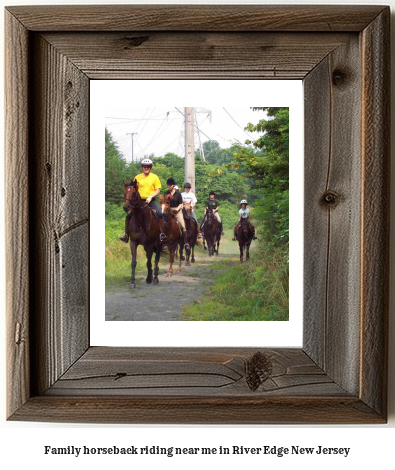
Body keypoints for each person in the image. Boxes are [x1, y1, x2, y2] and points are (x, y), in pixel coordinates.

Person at [120, 158, 167, 243]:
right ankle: (126, 235)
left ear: (150, 167)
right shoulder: (137, 177)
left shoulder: (154, 177)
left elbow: (158, 190)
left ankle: (162, 234)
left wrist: (150, 197)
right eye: (144, 167)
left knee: (160, 213)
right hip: (139, 201)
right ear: (142, 167)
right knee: (128, 215)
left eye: (148, 167)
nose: (146, 168)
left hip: (151, 200)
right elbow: (133, 189)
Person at [162, 178, 190, 249]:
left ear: (173, 185)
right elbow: (164, 202)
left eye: (170, 185)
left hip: (177, 210)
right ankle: (162, 237)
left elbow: (181, 204)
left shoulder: (178, 194)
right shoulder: (166, 193)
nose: (169, 186)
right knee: (163, 223)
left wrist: (177, 209)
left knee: (183, 225)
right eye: (168, 185)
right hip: (168, 210)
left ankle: (186, 243)